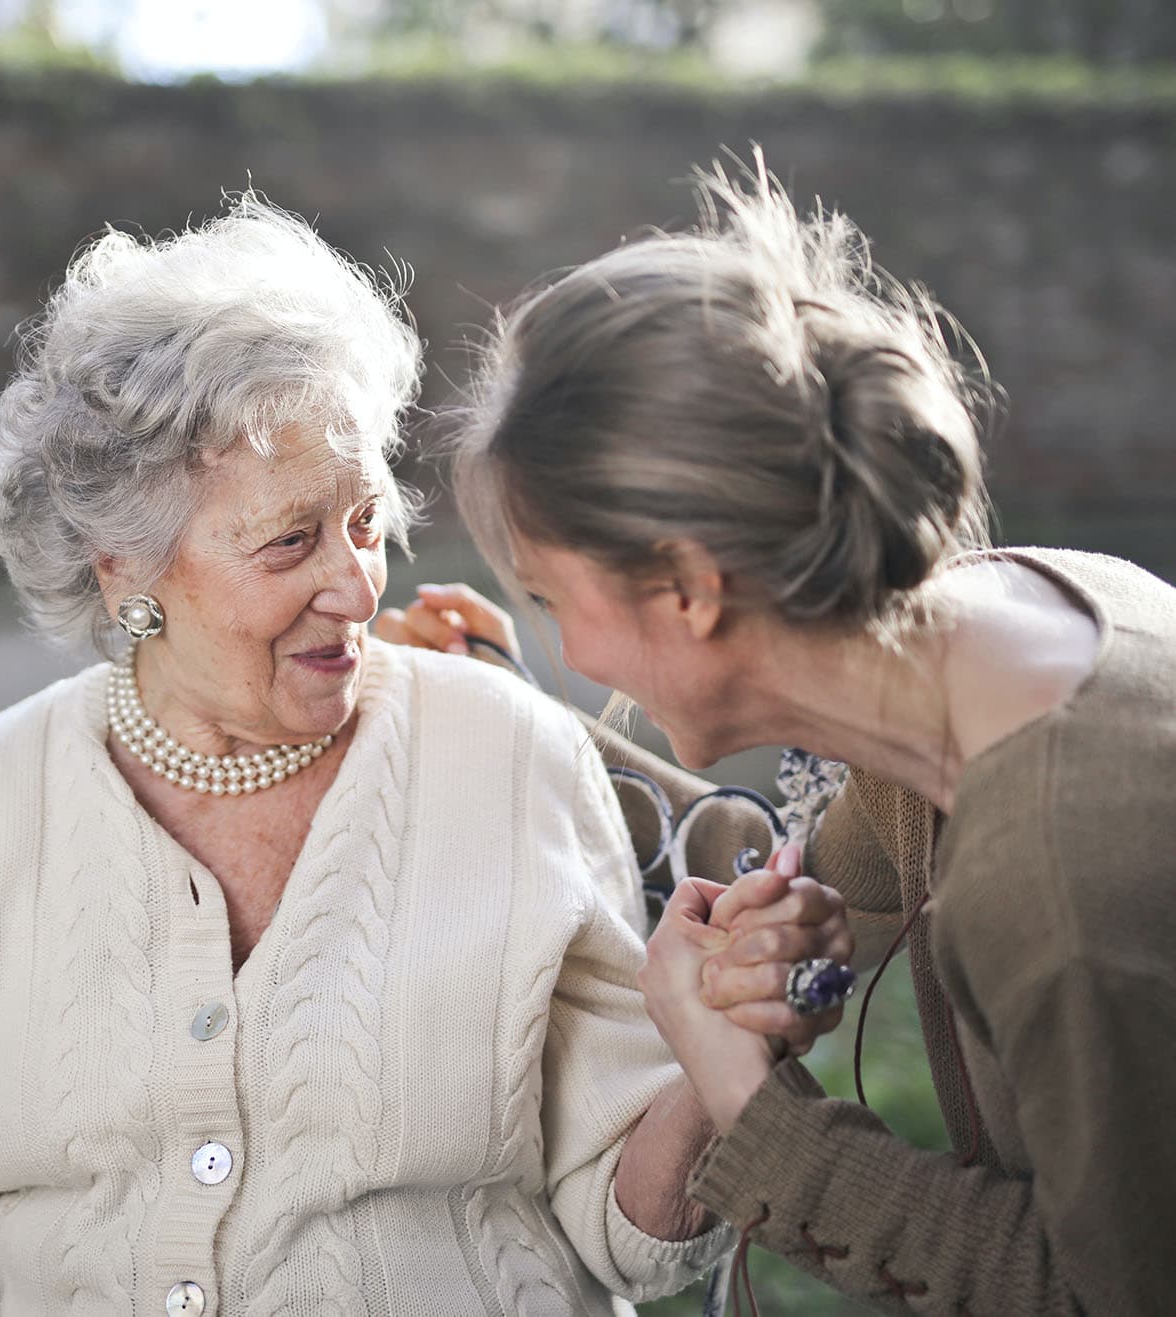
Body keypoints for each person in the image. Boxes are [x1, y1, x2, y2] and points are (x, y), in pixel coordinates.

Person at [0, 197, 855, 1316]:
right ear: (123, 569)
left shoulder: (506, 753)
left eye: (368, 522)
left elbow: (630, 1232)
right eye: (291, 540)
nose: (356, 585)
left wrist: (715, 1055)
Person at [379, 157, 1176, 1313]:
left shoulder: (1055, 879)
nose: (578, 654)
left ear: (691, 593)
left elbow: (1114, 1293)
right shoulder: (1017, 619)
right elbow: (800, 861)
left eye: (554, 602)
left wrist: (755, 1114)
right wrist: (503, 702)